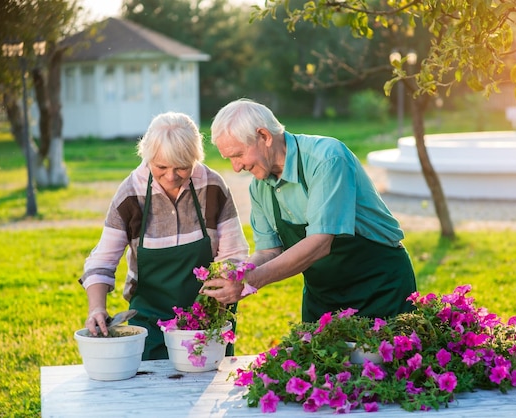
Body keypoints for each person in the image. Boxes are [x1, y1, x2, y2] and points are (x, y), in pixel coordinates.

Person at [202, 98, 416, 323]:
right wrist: (236, 275)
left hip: (380, 286)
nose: (236, 167)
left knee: (385, 358)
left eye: (238, 155)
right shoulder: (259, 186)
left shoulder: (327, 158)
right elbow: (268, 251)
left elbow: (320, 243)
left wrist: (250, 280)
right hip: (324, 296)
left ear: (264, 136)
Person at [79, 111, 249, 360]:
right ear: (147, 157)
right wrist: (97, 308)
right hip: (149, 323)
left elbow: (234, 254)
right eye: (161, 167)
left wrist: (215, 304)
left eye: (182, 168)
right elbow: (102, 261)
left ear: (195, 159)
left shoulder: (212, 187)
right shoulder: (131, 194)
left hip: (206, 323)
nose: (171, 177)